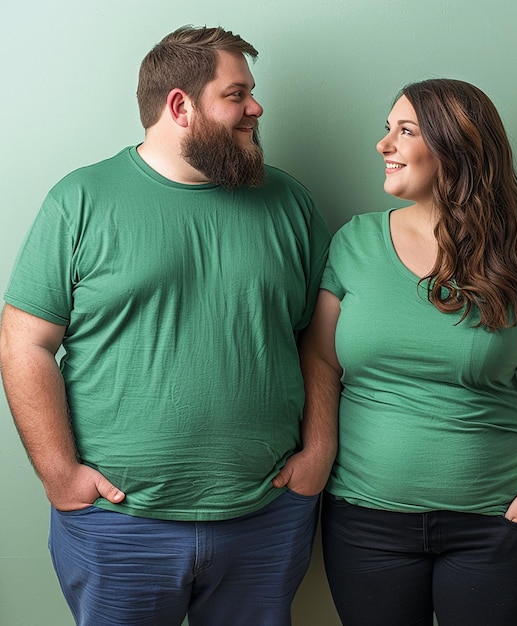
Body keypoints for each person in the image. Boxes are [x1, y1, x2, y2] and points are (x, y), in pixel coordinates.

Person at [0, 25, 332, 626]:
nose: (256, 107)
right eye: (236, 94)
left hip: (265, 517)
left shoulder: (289, 204)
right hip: (117, 527)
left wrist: (320, 450)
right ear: (180, 105)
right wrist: (59, 474)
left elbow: (318, 341)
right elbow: (24, 342)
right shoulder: (80, 201)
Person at [300, 79, 517, 626]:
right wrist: (317, 460)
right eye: (387, 129)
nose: (384, 145)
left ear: (458, 148)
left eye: (405, 131)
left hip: (495, 523)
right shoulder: (353, 243)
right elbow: (320, 361)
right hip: (365, 521)